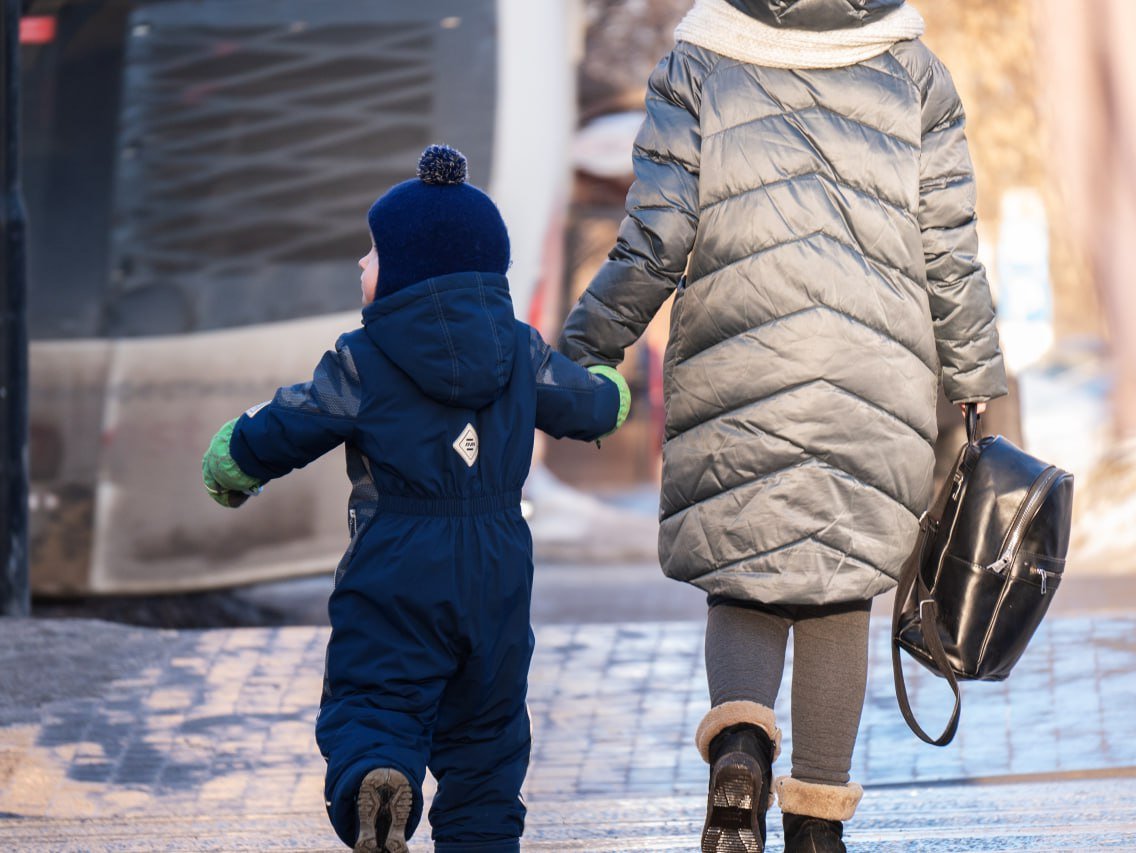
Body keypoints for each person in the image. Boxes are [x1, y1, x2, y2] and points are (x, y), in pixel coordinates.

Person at [558, 1, 1006, 850]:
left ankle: (738, 746)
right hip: (874, 366)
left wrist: (587, 348)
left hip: (737, 353)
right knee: (839, 590)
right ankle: (816, 827)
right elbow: (947, 244)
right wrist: (977, 380)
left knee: (743, 572)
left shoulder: (698, 62)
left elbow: (656, 237)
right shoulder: (912, 71)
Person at [200, 146, 630, 853]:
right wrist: (613, 394)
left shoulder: (362, 359)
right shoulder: (521, 351)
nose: (362, 267)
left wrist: (235, 459)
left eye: (371, 254)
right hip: (496, 570)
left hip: (395, 562)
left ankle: (379, 776)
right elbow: (585, 404)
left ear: (406, 271)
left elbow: (293, 422)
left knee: (375, 700)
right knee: (487, 739)